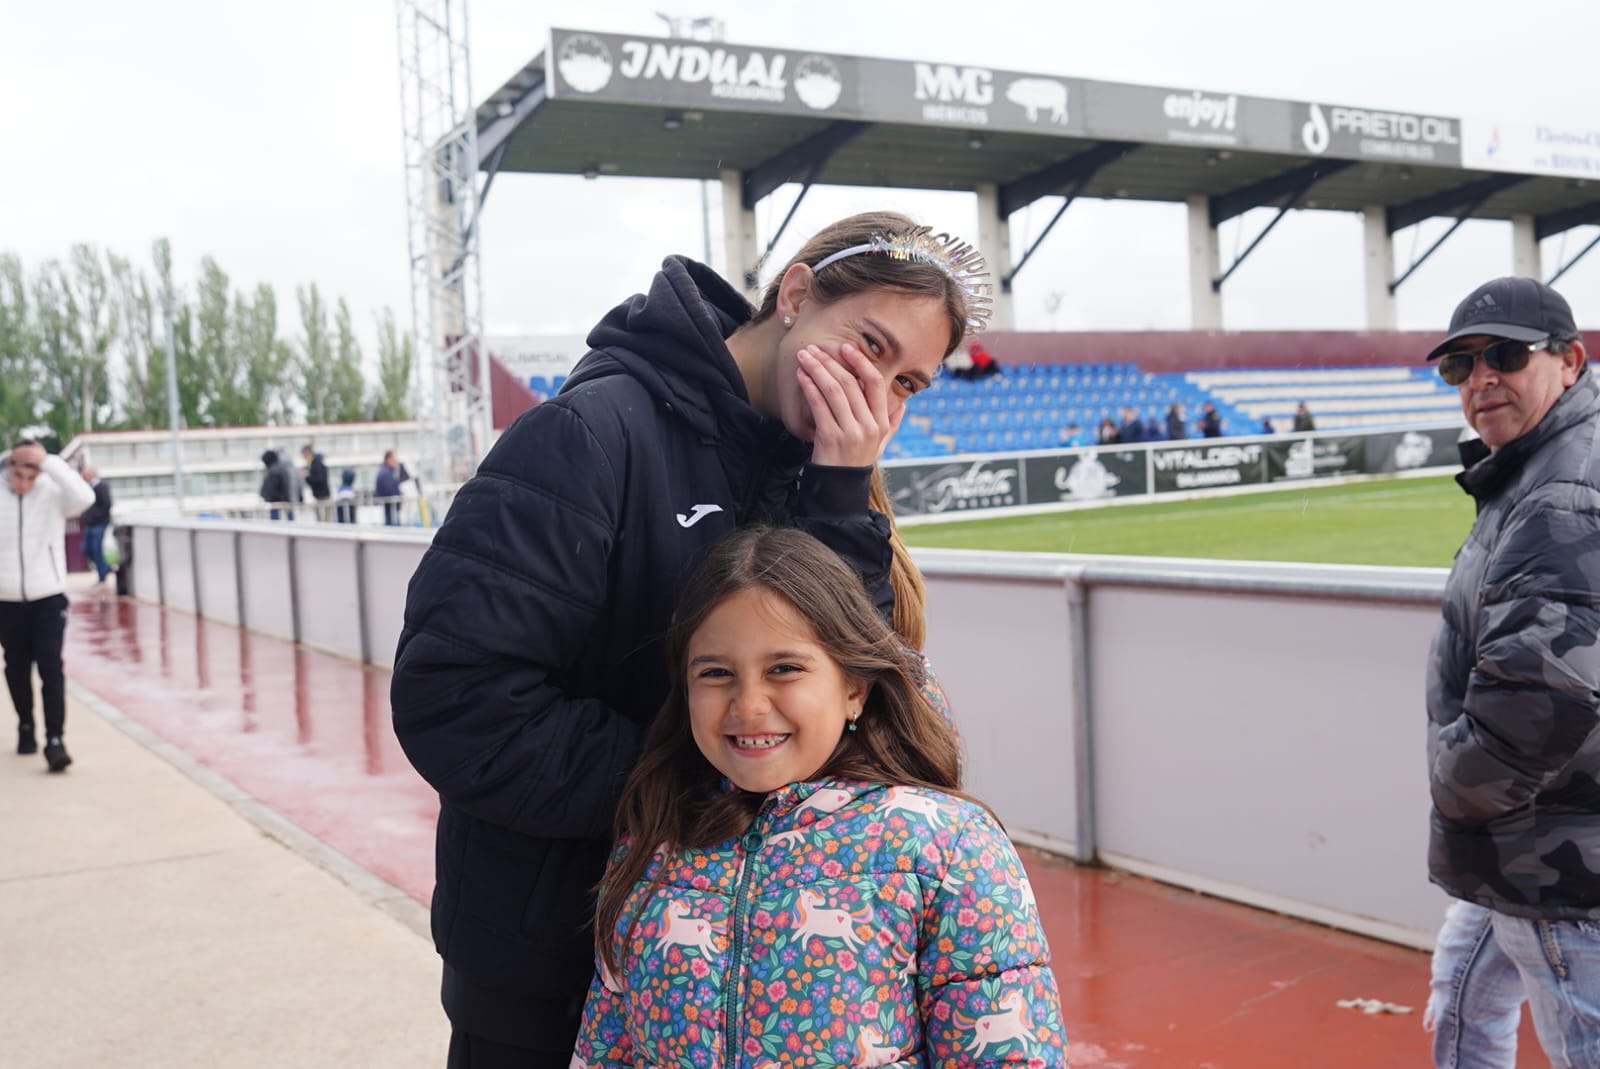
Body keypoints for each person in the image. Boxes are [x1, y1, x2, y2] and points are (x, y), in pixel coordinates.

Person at [390, 211, 990, 1065]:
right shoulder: (590, 435)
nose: (876, 395)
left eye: (908, 384)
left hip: (736, 979)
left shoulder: (822, 475)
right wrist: (703, 780)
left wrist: (839, 499)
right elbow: (457, 697)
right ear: (794, 296)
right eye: (869, 345)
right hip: (554, 963)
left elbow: (853, 703)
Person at [575, 526, 1067, 1067]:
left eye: (784, 669)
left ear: (854, 687)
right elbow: (608, 1048)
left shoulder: (947, 846)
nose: (749, 704)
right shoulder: (651, 846)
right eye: (716, 673)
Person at [1421, 276, 1598, 1068]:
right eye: (1461, 365)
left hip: (1551, 843)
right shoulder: (1542, 465)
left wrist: (1455, 793)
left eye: (1504, 353)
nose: (1481, 377)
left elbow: (1539, 699)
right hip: (1532, 836)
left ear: (1569, 361)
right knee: (1463, 987)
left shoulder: (1560, 489)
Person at [1, 439, 94, 771]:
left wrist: (49, 460)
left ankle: (55, 740)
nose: (22, 484)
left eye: (30, 476)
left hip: (48, 596)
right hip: (6, 599)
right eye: (16, 475)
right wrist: (10, 456)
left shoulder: (54, 494)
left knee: (51, 667)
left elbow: (86, 497)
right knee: (15, 667)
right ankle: (26, 724)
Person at [79, 465, 114, 587]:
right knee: (87, 549)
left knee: (96, 549)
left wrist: (95, 517)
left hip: (99, 523)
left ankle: (102, 576)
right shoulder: (87, 488)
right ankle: (105, 568)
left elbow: (107, 504)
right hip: (90, 524)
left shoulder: (101, 487)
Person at [258, 449, 298, 520]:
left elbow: (270, 487)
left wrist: (264, 495)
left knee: (275, 521)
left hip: (276, 500)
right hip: (286, 499)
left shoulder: (273, 470)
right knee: (290, 518)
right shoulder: (283, 468)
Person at [301, 443, 330, 520]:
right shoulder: (311, 464)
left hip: (322, 496)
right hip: (319, 496)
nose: (303, 457)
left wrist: (307, 476)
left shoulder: (316, 463)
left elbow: (319, 479)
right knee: (321, 519)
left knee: (324, 520)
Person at [375, 451, 402, 526]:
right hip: (390, 507)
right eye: (394, 459)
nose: (396, 461)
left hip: (390, 507)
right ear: (388, 459)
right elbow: (389, 490)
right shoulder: (385, 473)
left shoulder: (387, 472)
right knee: (394, 530)